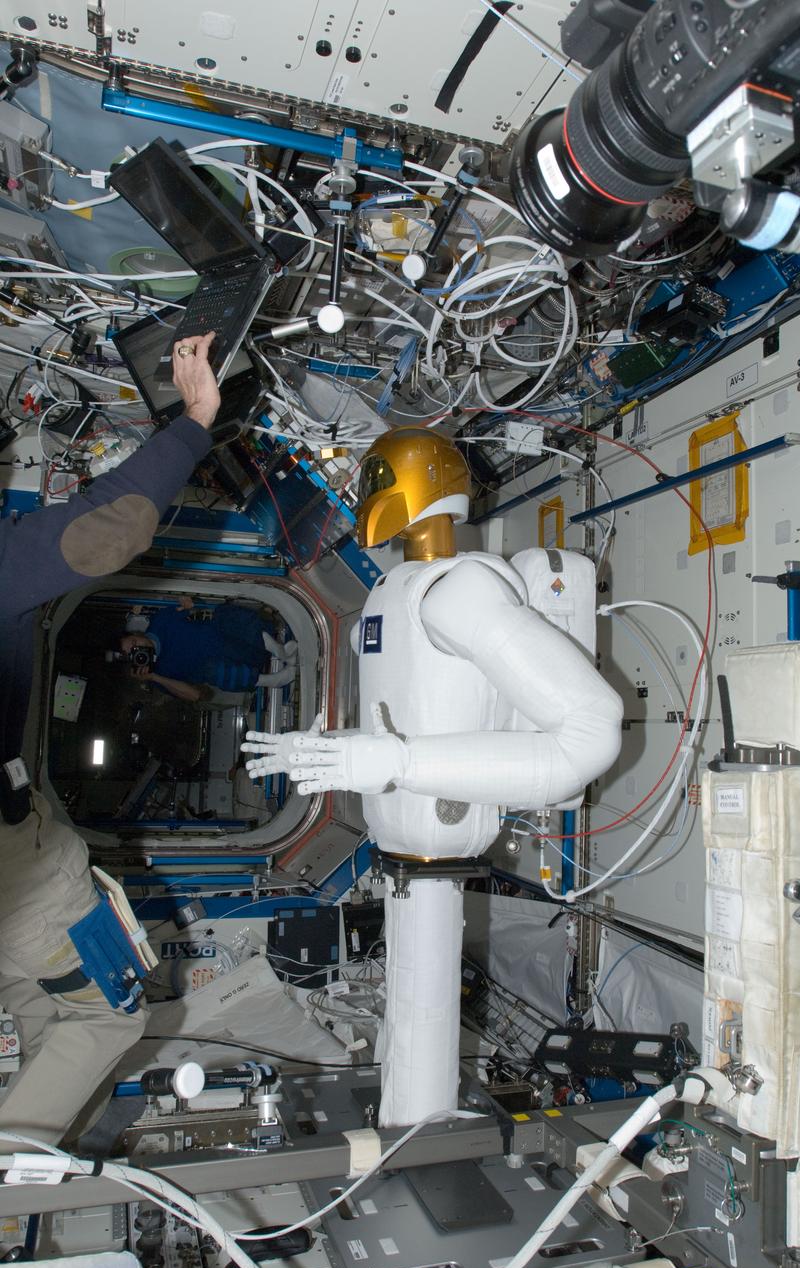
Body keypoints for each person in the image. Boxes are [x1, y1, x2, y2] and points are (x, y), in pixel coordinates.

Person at [241, 426, 625, 1127]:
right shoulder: (390, 595)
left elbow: (592, 728)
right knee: (406, 1030)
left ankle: (419, 1142)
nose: (366, 500)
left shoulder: (458, 593)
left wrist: (400, 763)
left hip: (439, 846)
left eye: (375, 482)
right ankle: (407, 1133)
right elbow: (405, 710)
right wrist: (330, 750)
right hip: (401, 854)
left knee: (419, 1046)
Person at [0, 331, 221, 1152]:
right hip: (19, 846)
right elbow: (106, 533)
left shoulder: (155, 682)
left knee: (37, 992)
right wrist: (196, 418)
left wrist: (149, 680)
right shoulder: (88, 673)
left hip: (21, 853)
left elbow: (196, 697)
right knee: (110, 1010)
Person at [111, 604, 297, 704]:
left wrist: (185, 604)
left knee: (222, 614)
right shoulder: (157, 673)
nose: (140, 650)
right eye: (134, 654)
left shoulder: (159, 622)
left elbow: (189, 605)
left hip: (234, 637)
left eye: (135, 644)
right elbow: (194, 695)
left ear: (136, 633)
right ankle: (272, 680)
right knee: (212, 670)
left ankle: (279, 650)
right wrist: (155, 677)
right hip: (231, 668)